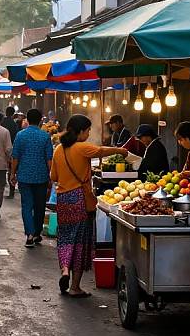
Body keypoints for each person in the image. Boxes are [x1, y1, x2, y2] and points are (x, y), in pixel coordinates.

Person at [51, 114, 128, 298]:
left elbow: (54, 177)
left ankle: (64, 270)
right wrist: (121, 151)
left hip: (63, 198)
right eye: (87, 130)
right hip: (79, 197)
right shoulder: (82, 147)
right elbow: (101, 151)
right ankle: (75, 287)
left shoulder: (58, 150)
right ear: (80, 131)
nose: (88, 133)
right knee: (81, 241)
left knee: (65, 237)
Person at [11, 109, 53, 248]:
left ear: (27, 120)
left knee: (27, 206)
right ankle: (36, 233)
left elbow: (15, 157)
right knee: (40, 206)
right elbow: (49, 159)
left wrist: (12, 173)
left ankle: (29, 234)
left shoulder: (20, 135)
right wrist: (51, 176)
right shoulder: (45, 136)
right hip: (41, 176)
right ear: (41, 119)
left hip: (24, 176)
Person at [2, 106, 19, 199]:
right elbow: (16, 137)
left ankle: (0, 186)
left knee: (2, 169)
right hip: (11, 148)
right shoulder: (14, 124)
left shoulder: (2, 122)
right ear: (13, 114)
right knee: (11, 170)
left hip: (1, 148)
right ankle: (11, 191)